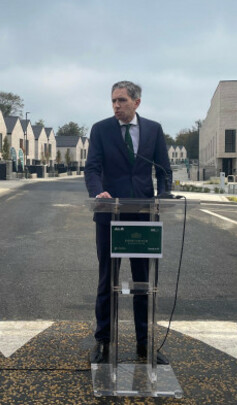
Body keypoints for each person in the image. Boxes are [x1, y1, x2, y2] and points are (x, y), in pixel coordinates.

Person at [84, 80, 172, 365]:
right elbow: (92, 168)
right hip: (110, 214)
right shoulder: (100, 130)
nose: (116, 106)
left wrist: (165, 195)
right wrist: (98, 192)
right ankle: (103, 341)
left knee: (143, 283)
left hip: (143, 215)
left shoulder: (154, 130)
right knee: (107, 279)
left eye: (121, 100)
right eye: (113, 101)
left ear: (136, 102)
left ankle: (145, 344)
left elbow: (163, 169)